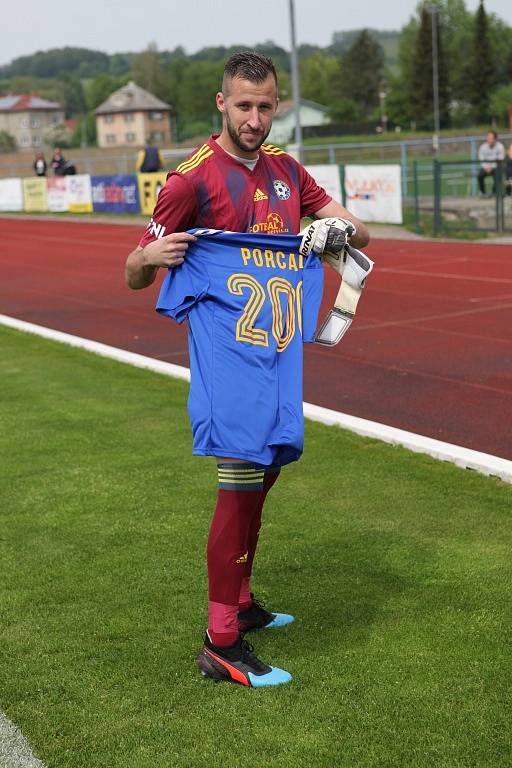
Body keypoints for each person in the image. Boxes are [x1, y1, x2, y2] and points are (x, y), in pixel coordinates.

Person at [125, 51, 370, 688]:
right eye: (244, 106)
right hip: (227, 353)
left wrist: (333, 232)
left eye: (265, 106)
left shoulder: (288, 171)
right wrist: (149, 254)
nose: (255, 118)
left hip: (277, 352)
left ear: (276, 104)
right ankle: (220, 639)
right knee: (238, 476)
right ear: (221, 103)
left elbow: (359, 231)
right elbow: (132, 273)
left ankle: (240, 597)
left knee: (266, 471)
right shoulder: (190, 180)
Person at [477, 130, 505, 197]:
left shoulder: (500, 147)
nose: (488, 139)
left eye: (490, 138)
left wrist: (491, 167)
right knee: (480, 175)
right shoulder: (483, 147)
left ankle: (494, 193)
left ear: (495, 139)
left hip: (495, 167)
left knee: (498, 173)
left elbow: (500, 160)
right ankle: (482, 192)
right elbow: (481, 159)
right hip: (485, 167)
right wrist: (486, 167)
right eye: (488, 137)